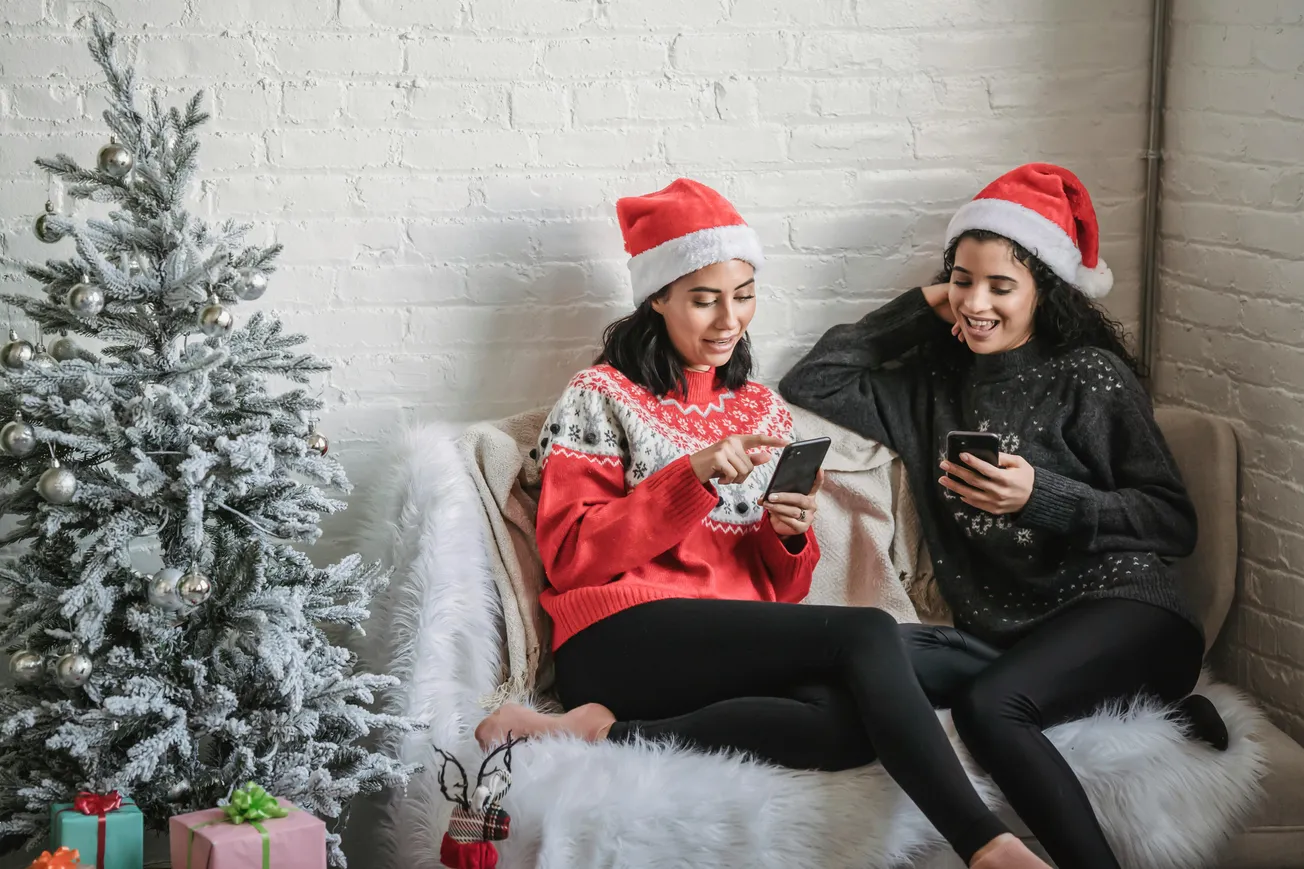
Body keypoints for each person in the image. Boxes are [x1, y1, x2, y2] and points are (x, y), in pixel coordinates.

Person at [475, 178, 1055, 869]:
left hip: (718, 645)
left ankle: (604, 733)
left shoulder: (760, 409)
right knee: (872, 632)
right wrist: (691, 475)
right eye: (704, 298)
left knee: (855, 719)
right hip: (620, 637)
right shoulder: (599, 396)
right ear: (657, 297)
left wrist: (788, 535)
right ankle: (987, 844)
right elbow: (573, 554)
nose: (729, 320)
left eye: (743, 295)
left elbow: (777, 594)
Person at [779, 163, 1228, 869]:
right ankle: (1153, 709)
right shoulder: (927, 388)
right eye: (961, 279)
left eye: (1000, 285)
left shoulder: (1086, 374)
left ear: (1043, 289)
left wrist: (1039, 497)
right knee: (858, 664)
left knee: (992, 708)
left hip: (1128, 609)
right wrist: (920, 306)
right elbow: (814, 379)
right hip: (1013, 639)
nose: (976, 302)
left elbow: (1172, 521)